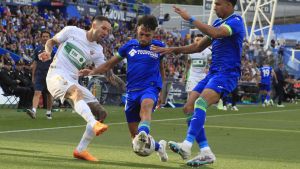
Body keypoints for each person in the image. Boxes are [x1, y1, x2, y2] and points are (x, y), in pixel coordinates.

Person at [152, 0, 245, 167]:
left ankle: (187, 145)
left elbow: (216, 34)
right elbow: (198, 47)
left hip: (227, 73)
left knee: (200, 102)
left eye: (218, 3)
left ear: (230, 6)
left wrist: (191, 19)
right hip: (213, 73)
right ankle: (205, 151)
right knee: (188, 107)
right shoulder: (217, 23)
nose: (214, 7)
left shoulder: (236, 22)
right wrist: (172, 50)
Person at [79, 15, 168, 162]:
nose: (144, 38)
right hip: (132, 92)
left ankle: (144, 131)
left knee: (146, 106)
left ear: (154, 33)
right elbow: (109, 64)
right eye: (141, 34)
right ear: (137, 30)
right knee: (136, 143)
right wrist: (92, 72)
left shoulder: (160, 47)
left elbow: (161, 69)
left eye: (148, 35)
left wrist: (161, 91)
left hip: (150, 88)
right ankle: (159, 146)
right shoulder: (128, 46)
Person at [38, 15, 119, 162]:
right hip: (56, 75)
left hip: (72, 80)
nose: (106, 32)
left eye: (108, 30)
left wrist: (128, 86)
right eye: (104, 28)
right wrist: (48, 53)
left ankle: (80, 150)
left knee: (101, 113)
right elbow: (51, 41)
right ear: (94, 25)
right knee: (77, 92)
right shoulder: (72, 31)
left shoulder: (98, 50)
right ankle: (93, 124)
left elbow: (108, 72)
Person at [26, 31, 56, 119]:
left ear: (50, 38)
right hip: (39, 74)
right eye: (43, 36)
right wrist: (33, 76)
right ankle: (33, 111)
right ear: (41, 37)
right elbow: (35, 63)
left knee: (49, 94)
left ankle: (49, 112)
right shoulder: (37, 49)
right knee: (37, 92)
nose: (45, 38)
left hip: (50, 75)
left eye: (47, 36)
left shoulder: (54, 49)